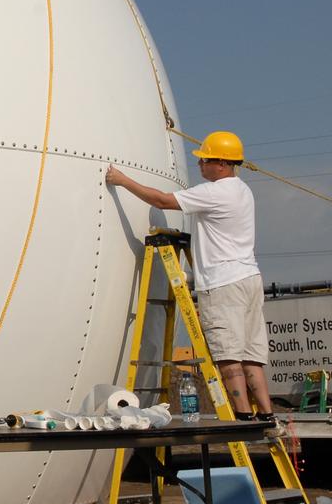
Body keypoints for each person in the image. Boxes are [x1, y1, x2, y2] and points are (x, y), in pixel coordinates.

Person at [105, 131, 281, 432]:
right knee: (252, 355)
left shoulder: (215, 193)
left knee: (228, 355)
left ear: (222, 164)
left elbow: (162, 200)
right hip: (250, 278)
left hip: (223, 283)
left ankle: (241, 418)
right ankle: (266, 414)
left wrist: (123, 180)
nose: (200, 165)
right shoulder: (243, 191)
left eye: (205, 161)